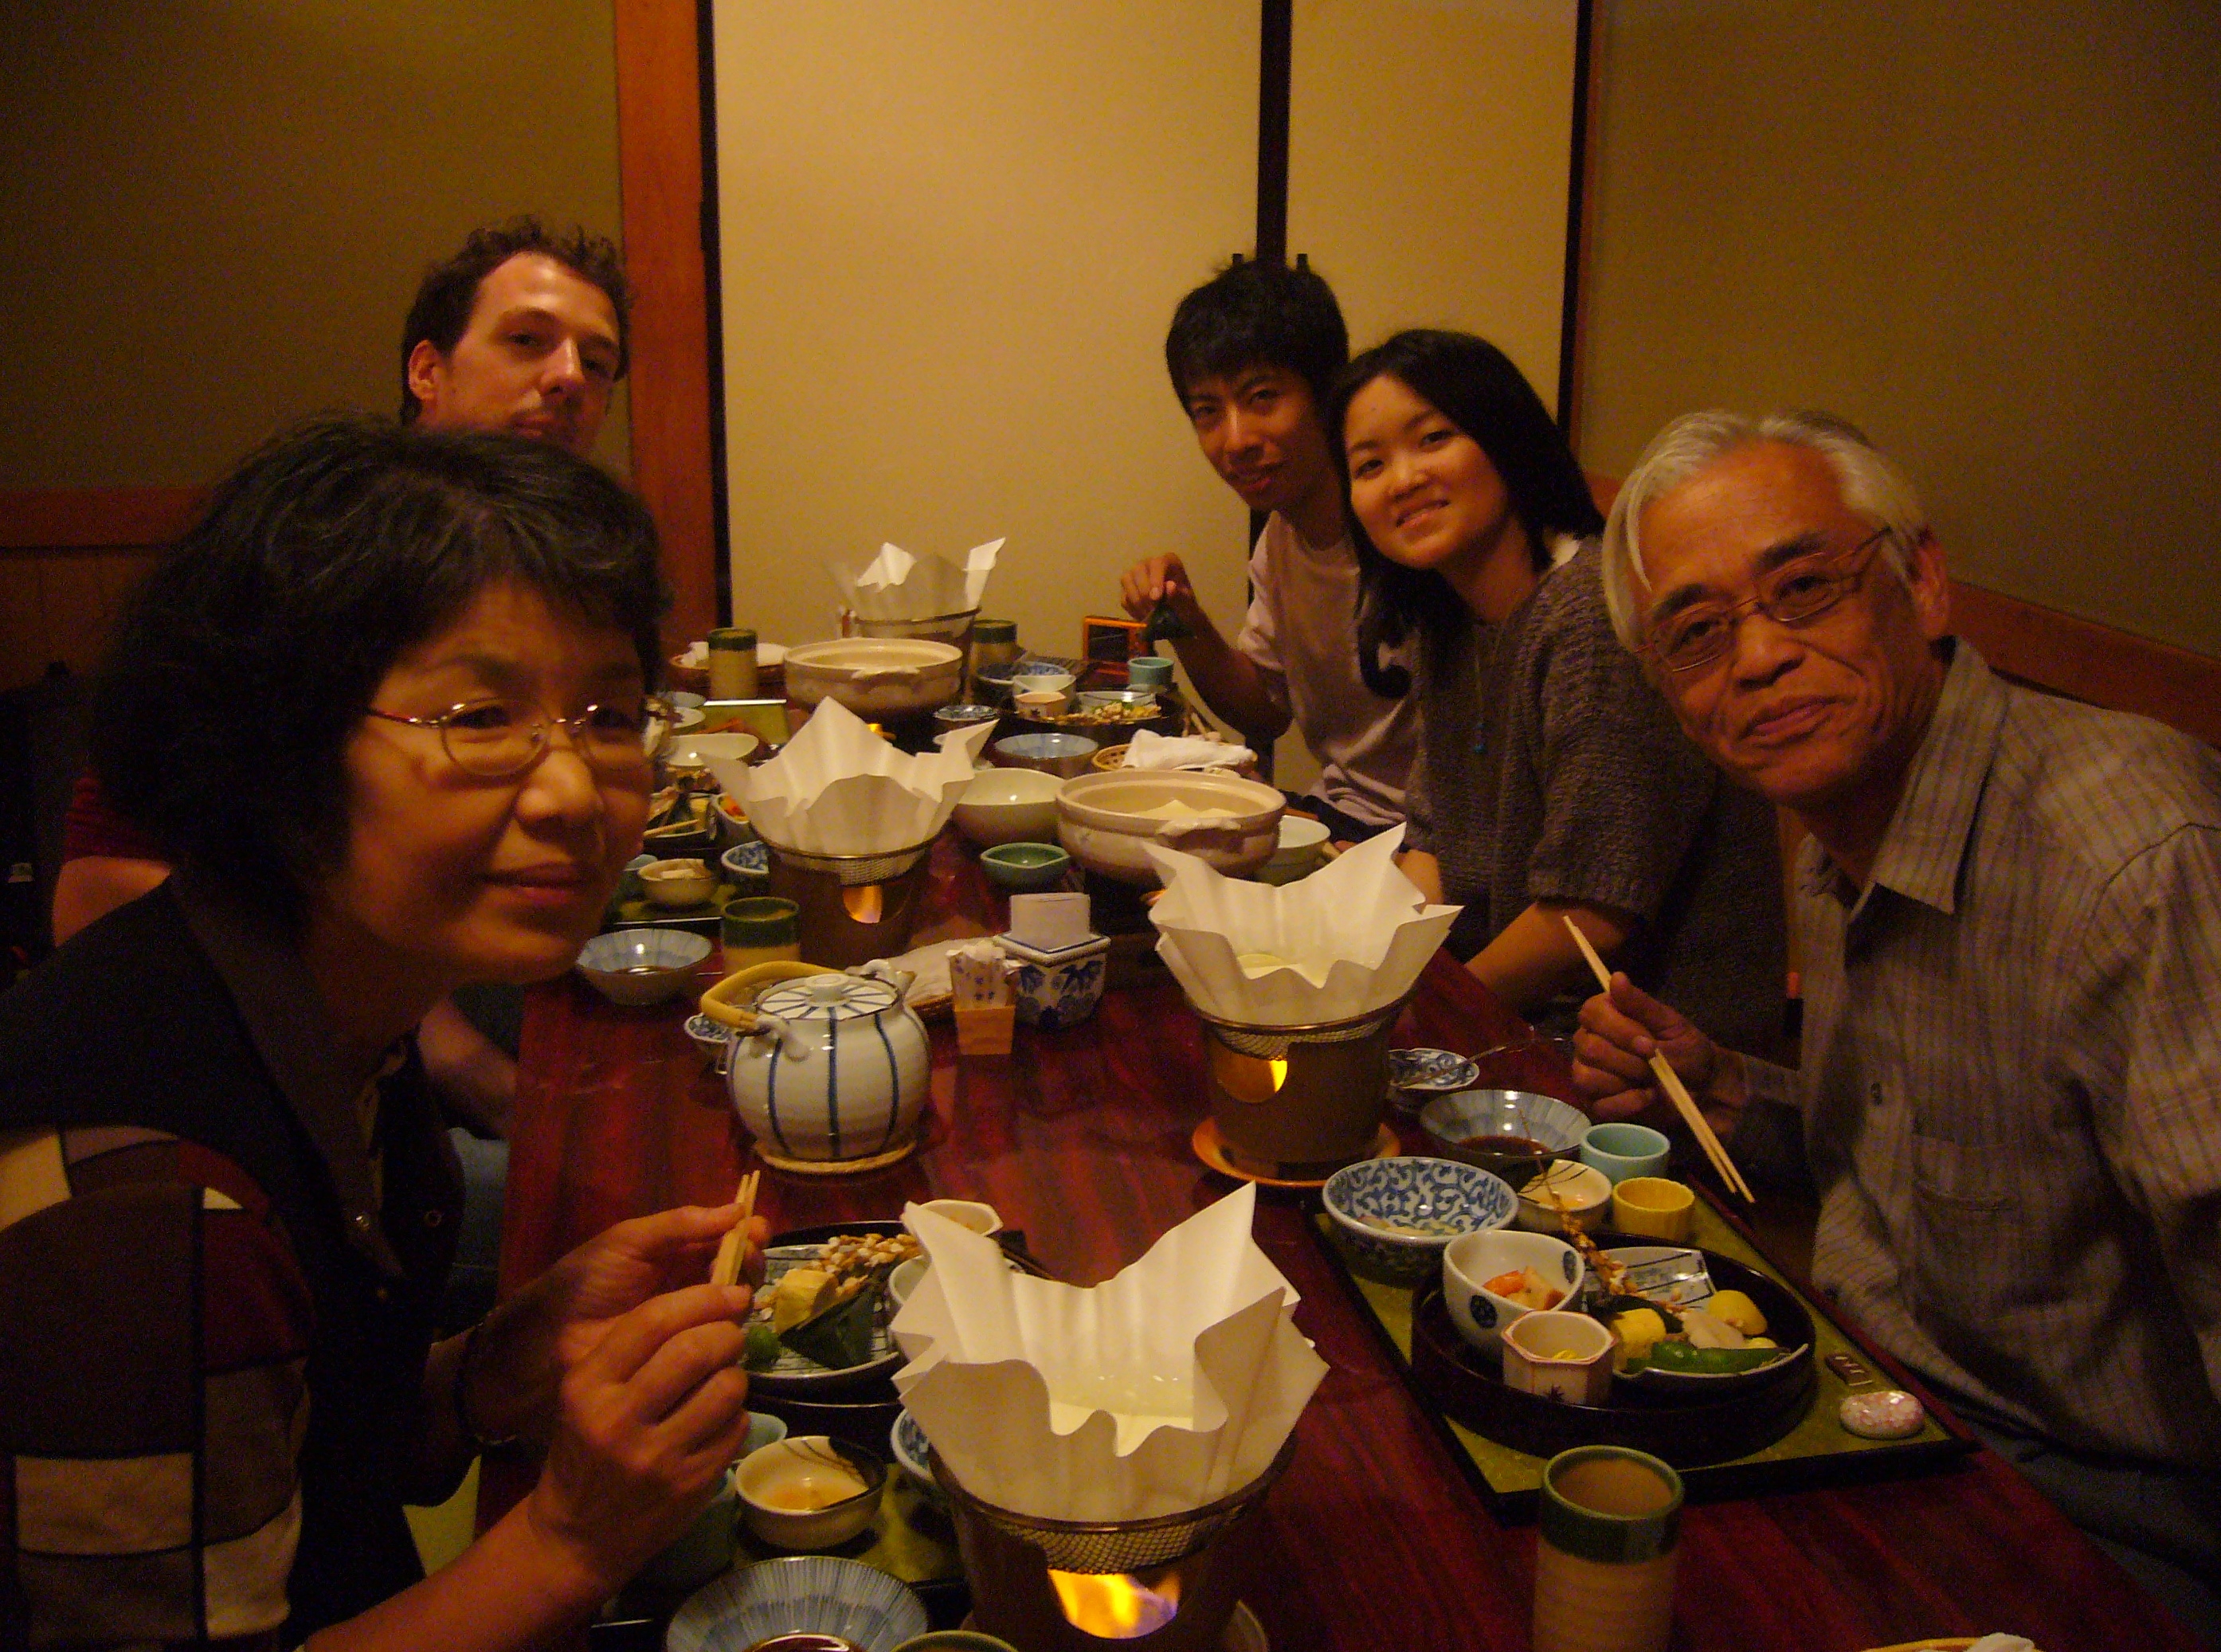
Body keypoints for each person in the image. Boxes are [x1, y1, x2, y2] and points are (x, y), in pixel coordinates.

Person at [0, 417, 766, 1650]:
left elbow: (304, 1446)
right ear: (281, 746)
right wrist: (568, 1539)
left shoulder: (344, 1008)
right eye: (480, 714)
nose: (574, 789)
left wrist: (490, 1369)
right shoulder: (143, 1208)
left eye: (609, 714)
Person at [1577, 409, 2221, 1641]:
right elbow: (1906, 1154)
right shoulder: (1838, 837)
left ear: (1921, 581)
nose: (1758, 657)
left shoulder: (2131, 859)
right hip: (1877, 1417)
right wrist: (1723, 1089)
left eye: (1803, 590)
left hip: (2116, 1523)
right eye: (1698, 633)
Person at [50, 217, 633, 1315]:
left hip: (378, 1048)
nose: (568, 379)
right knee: (617, 1193)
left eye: (596, 363)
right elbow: (96, 899)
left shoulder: (553, 569)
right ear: (426, 369)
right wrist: (450, 1052)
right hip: (258, 1095)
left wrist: (465, 1390)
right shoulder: (314, 568)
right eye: (527, 340)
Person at [1330, 331, 1784, 1047]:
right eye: (1370, 465)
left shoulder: (1594, 615)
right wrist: (1345, 959)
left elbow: (1590, 913)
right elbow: (1437, 846)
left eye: (1434, 439)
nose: (1403, 480)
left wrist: (1416, 1016)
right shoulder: (1450, 621)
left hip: (1653, 1051)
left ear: (1505, 437)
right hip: (1529, 1018)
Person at [1118, 258, 1419, 842]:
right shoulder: (1281, 538)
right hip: (1341, 819)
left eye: (1262, 397)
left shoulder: (1408, 527)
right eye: (1208, 412)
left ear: (1329, 393)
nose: (1235, 441)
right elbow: (1264, 711)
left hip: (1426, 842)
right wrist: (1187, 621)